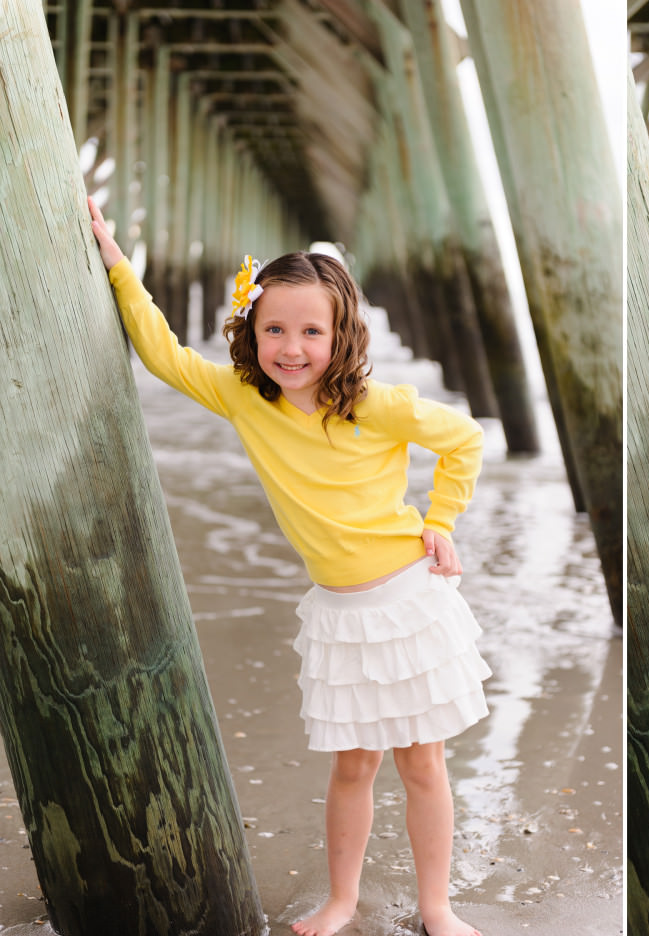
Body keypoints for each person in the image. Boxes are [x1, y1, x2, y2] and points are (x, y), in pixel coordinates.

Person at [89, 198, 490, 936]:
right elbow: (165, 356)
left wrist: (440, 522)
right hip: (339, 614)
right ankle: (341, 901)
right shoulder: (247, 399)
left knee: (423, 766)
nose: (293, 347)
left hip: (408, 601)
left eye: (313, 331)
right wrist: (117, 265)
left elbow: (465, 438)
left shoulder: (375, 404)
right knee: (351, 769)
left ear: (344, 336)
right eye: (274, 329)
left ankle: (438, 908)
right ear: (251, 330)